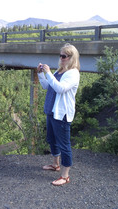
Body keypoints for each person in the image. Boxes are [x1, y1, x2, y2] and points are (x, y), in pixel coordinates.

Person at [37, 43, 80, 186]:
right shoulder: (60, 71)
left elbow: (60, 89)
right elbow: (47, 86)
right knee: (51, 139)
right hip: (51, 111)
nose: (61, 58)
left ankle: (65, 175)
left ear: (71, 58)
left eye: (64, 56)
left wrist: (48, 73)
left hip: (61, 114)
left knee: (64, 144)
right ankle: (55, 164)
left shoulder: (73, 73)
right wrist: (41, 74)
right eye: (60, 55)